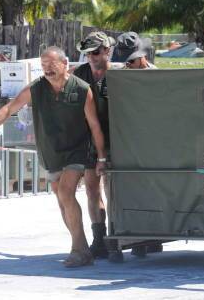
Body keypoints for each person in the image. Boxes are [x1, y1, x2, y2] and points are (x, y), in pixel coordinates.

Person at [0, 46, 106, 268]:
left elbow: (95, 126)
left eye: (52, 65)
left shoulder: (83, 89)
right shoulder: (36, 88)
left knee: (66, 191)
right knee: (61, 197)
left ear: (65, 64)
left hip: (78, 149)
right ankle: (82, 249)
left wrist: (101, 157)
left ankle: (79, 249)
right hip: (51, 151)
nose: (47, 70)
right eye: (44, 66)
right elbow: (9, 109)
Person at [73, 31, 118, 258]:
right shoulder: (79, 74)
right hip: (90, 140)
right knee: (92, 189)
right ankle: (99, 238)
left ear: (107, 51)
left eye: (96, 51)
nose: (91, 56)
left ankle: (116, 236)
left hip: (117, 140)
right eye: (88, 52)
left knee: (114, 191)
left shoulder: (119, 76)